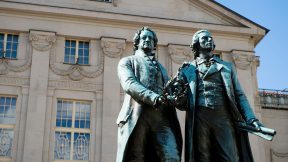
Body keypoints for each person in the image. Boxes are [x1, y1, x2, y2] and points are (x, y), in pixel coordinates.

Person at [174, 30, 264, 162]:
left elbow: (240, 95)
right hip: (200, 117)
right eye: (205, 38)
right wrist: (177, 96)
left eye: (211, 38)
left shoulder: (226, 67)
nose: (209, 40)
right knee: (202, 157)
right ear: (196, 44)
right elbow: (181, 103)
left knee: (230, 157)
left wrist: (252, 119)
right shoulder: (187, 69)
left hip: (223, 117)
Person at [116, 27, 182, 162]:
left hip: (162, 118)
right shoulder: (127, 62)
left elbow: (168, 92)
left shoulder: (162, 68)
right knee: (136, 156)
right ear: (137, 42)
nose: (147, 40)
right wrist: (153, 97)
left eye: (151, 38)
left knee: (172, 156)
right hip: (138, 115)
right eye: (144, 37)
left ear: (154, 44)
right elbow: (129, 83)